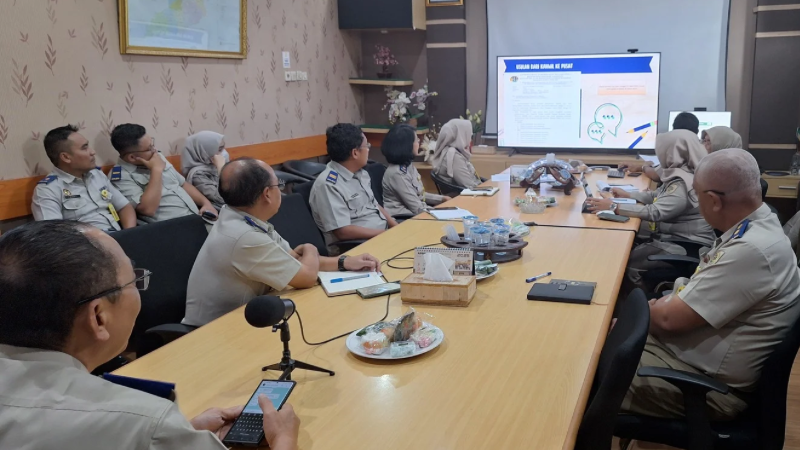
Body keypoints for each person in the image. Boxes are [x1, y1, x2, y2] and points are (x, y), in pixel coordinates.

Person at [0, 220, 300, 450]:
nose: (139, 289)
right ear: (98, 317)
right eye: (133, 280)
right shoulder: (143, 420)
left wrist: (181, 435)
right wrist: (283, 439)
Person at [621, 148, 800, 420]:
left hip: (706, 387)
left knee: (581, 370)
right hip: (689, 360)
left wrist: (634, 320)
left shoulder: (751, 250)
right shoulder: (756, 227)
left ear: (714, 201)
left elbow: (668, 320)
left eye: (697, 194)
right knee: (604, 338)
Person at [183, 158, 380, 327]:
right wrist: (310, 248)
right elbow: (307, 276)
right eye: (279, 185)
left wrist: (344, 262)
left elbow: (293, 259)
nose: (282, 190)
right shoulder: (245, 236)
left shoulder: (240, 216)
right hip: (213, 331)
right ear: (267, 194)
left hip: (246, 316)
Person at [587, 129, 715, 292]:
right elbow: (658, 195)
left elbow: (655, 212)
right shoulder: (683, 173)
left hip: (685, 243)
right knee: (626, 244)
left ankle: (639, 303)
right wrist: (630, 195)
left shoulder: (682, 182)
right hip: (676, 235)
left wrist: (613, 207)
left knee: (625, 262)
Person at [309, 123, 398, 253]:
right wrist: (384, 234)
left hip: (381, 236)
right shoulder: (328, 185)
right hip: (356, 248)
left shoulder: (361, 173)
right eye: (366, 146)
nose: (368, 149)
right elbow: (343, 232)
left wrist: (396, 227)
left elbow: (374, 205)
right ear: (355, 153)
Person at [32, 124, 136, 232]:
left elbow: (125, 207)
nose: (92, 152)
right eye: (84, 148)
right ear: (66, 157)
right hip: (86, 242)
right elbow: (53, 234)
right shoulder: (48, 190)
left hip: (118, 236)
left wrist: (129, 234)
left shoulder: (97, 175)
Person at [108, 124, 218, 224]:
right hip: (172, 229)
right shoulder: (120, 177)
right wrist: (156, 170)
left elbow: (182, 184)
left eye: (152, 144)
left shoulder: (156, 156)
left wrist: (206, 203)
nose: (155, 150)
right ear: (132, 157)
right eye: (149, 148)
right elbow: (148, 210)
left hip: (197, 217)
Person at [381, 123, 449, 217]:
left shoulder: (407, 165)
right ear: (406, 145)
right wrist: (444, 213)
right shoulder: (397, 173)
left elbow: (419, 195)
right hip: (403, 218)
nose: (419, 142)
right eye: (416, 140)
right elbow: (417, 207)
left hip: (414, 213)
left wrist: (442, 199)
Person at [182, 131, 229, 210]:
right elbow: (223, 199)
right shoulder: (197, 175)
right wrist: (221, 169)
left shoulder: (213, 165)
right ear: (204, 151)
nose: (224, 153)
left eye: (223, 148)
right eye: (220, 149)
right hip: (221, 212)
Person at [430, 118, 481, 189]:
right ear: (461, 136)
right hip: (463, 194)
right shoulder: (453, 156)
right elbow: (469, 186)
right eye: (469, 135)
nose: (470, 139)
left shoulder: (451, 151)